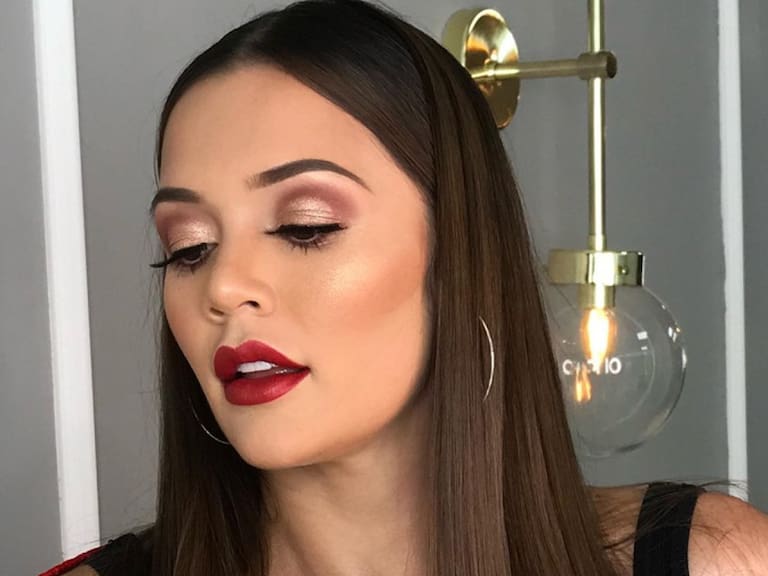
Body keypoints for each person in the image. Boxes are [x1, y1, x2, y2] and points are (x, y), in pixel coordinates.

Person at [45, 0, 768, 574]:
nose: (225, 286)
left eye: (305, 226)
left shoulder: (714, 560)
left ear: (459, 256)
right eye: (190, 248)